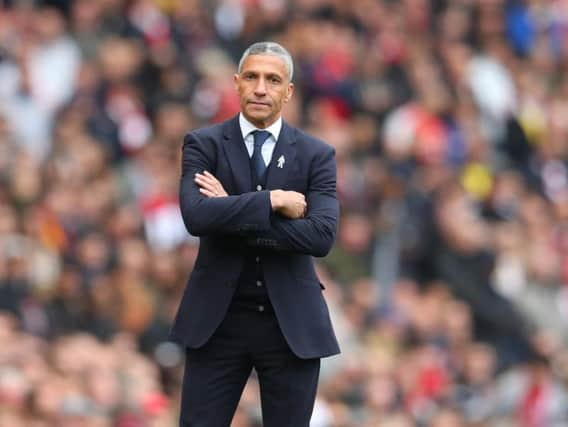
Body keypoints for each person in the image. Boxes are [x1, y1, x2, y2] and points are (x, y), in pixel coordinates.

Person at [169, 41, 340, 426]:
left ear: (288, 91)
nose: (261, 88)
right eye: (252, 77)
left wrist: (231, 209)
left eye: (273, 79)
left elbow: (321, 237)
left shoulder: (317, 154)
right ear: (237, 83)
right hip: (217, 322)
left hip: (291, 327)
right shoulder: (204, 143)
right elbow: (196, 217)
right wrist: (272, 201)